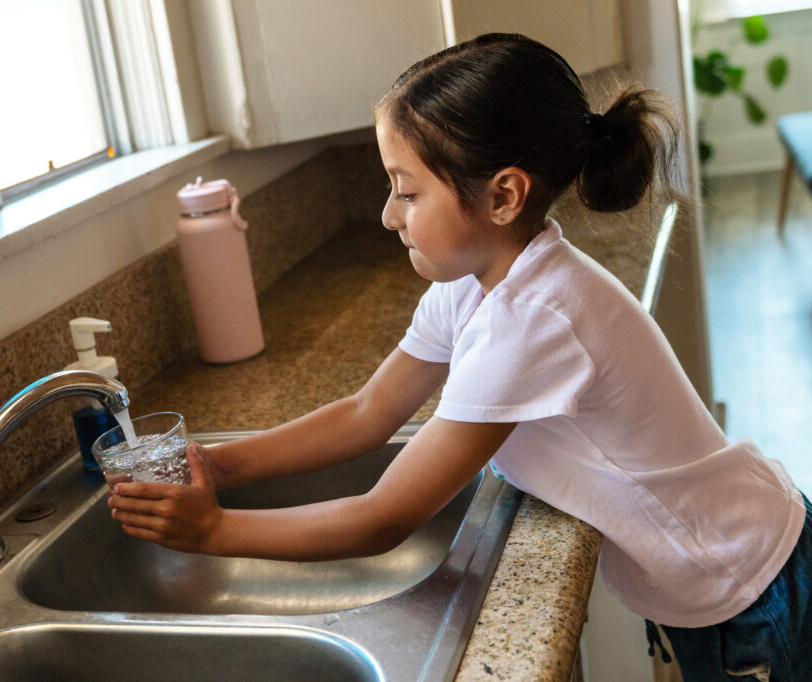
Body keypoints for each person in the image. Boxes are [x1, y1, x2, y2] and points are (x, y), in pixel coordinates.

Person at [109, 33, 812, 680]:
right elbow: (368, 412)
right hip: (723, 565)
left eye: (408, 191)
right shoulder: (480, 283)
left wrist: (215, 530)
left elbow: (385, 515)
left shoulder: (531, 319)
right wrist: (220, 466)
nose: (389, 214)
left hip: (743, 585)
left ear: (504, 195)